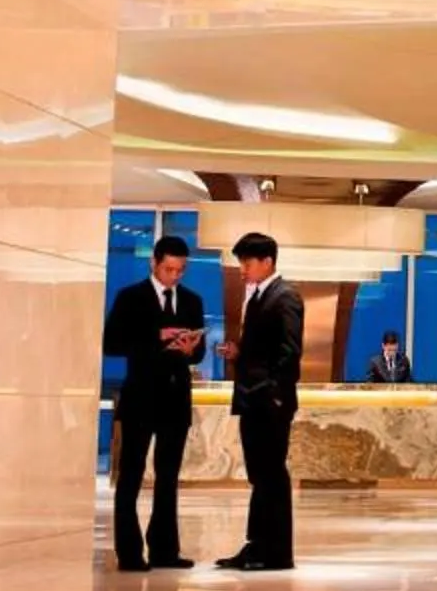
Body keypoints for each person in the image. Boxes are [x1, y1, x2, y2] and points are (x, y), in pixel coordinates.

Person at [101, 233, 205, 573]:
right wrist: (156, 336)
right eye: (168, 269)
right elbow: (111, 343)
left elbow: (199, 352)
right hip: (141, 397)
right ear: (154, 263)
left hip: (176, 399)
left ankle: (164, 550)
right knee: (130, 475)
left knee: (168, 477)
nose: (174, 276)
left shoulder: (191, 301)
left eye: (180, 270)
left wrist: (190, 349)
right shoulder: (130, 297)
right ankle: (129, 552)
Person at [214, 231, 305, 573]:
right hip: (252, 399)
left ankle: (276, 553)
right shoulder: (258, 297)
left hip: (269, 402)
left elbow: (290, 352)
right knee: (261, 475)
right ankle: (258, 546)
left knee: (271, 474)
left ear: (267, 262)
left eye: (247, 263)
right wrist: (239, 354)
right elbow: (263, 351)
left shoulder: (285, 296)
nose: (242, 270)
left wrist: (274, 394)